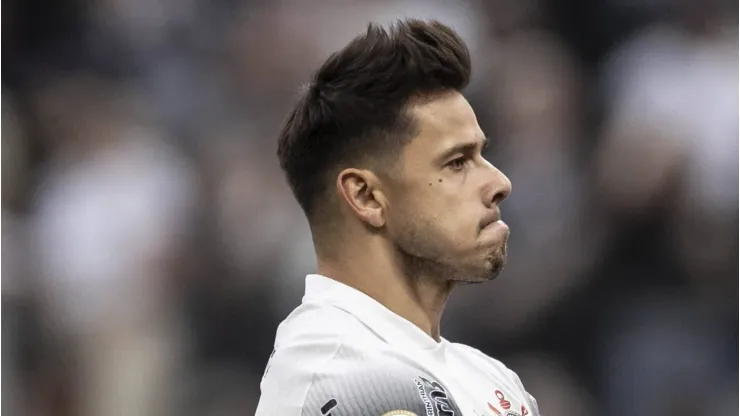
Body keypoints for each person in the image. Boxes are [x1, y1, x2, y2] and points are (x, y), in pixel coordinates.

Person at [256, 19, 540, 416]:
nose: (499, 182)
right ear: (366, 196)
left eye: (482, 155)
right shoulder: (337, 374)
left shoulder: (491, 379)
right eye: (458, 162)